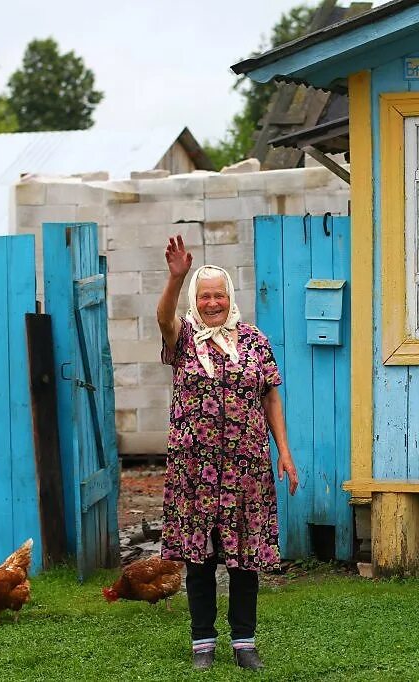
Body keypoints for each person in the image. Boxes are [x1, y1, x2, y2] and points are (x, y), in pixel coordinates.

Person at [156, 235, 299, 672]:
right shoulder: (184, 338)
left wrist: (285, 452)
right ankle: (202, 642)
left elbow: (271, 397)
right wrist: (176, 279)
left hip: (246, 466)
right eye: (205, 296)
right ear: (196, 301)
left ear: (230, 296)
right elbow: (164, 318)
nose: (212, 302)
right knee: (199, 556)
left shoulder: (254, 339)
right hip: (195, 468)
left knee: (245, 555)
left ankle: (244, 642)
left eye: (218, 295)